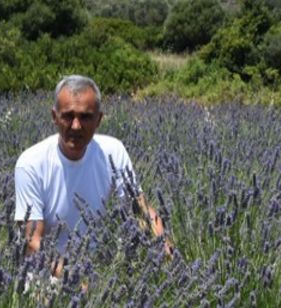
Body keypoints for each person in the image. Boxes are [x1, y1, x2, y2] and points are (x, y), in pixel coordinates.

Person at [14, 75, 172, 278]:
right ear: (54, 117)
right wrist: (76, 279)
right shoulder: (31, 163)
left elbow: (140, 208)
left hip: (101, 269)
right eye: (68, 116)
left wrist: (164, 244)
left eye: (85, 117)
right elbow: (33, 244)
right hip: (47, 273)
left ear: (99, 120)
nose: (76, 126)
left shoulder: (113, 151)